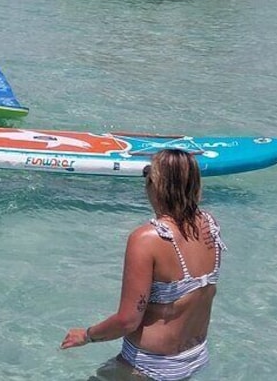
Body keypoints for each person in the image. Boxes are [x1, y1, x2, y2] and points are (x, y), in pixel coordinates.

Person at [61, 149, 226, 381]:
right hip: (193, 357)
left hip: (149, 366)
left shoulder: (147, 238)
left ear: (155, 183)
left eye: (147, 173)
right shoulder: (209, 223)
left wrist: (86, 335)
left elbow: (127, 320)